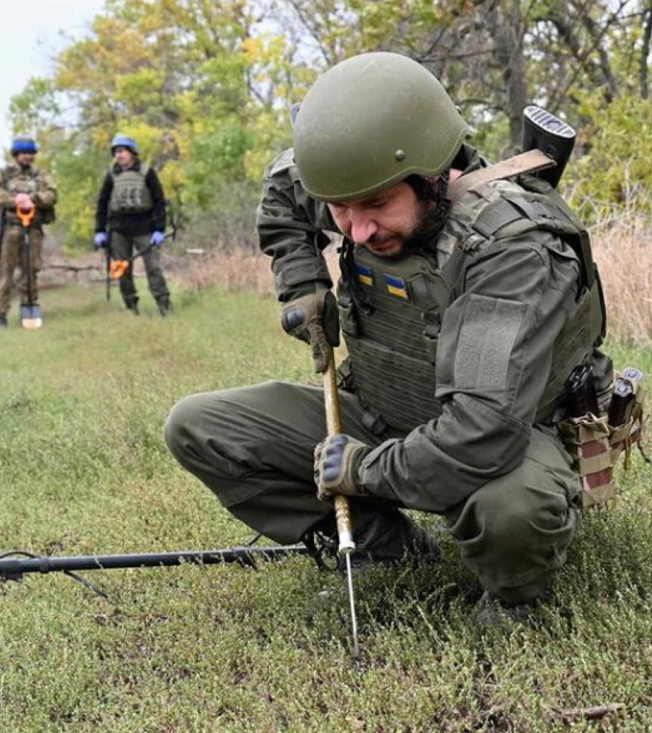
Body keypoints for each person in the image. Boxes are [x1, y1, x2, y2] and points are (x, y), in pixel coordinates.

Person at [164, 52, 611, 624]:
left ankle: (514, 599)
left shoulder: (510, 249)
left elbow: (483, 432)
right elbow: (283, 193)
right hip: (382, 404)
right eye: (340, 209)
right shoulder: (358, 188)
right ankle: (386, 547)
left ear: (434, 176)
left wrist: (362, 471)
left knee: (512, 510)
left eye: (376, 205)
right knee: (200, 428)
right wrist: (302, 285)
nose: (358, 229)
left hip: (507, 434)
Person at [94, 135, 171, 316]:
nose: (119, 156)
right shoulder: (111, 176)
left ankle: (164, 304)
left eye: (122, 151)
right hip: (119, 229)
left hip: (144, 227)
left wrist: (160, 229)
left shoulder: (147, 173)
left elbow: (159, 202)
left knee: (153, 268)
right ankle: (131, 306)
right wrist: (99, 230)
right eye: (116, 152)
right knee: (122, 269)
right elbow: (102, 204)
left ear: (132, 153)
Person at [0, 136, 58, 328]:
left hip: (33, 229)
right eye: (24, 153)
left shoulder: (41, 175)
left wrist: (34, 199)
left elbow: (52, 194)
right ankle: (1, 314)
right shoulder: (3, 174)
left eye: (30, 153)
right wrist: (16, 200)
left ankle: (29, 308)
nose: (27, 157)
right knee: (5, 272)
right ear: (16, 155)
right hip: (10, 228)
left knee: (31, 270)